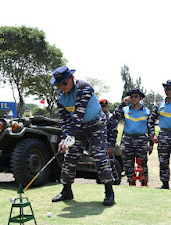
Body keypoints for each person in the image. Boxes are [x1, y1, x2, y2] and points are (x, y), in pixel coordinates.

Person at [49, 66, 115, 206]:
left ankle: (109, 192)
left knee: (99, 156)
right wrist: (64, 140)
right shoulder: (61, 99)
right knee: (70, 157)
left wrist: (67, 138)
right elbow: (66, 122)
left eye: (65, 83)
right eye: (59, 85)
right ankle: (66, 191)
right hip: (78, 131)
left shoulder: (84, 87)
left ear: (72, 78)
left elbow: (78, 115)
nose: (62, 87)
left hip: (96, 126)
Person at [109, 89, 153, 185]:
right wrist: (123, 104)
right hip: (127, 139)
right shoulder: (125, 109)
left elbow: (150, 127)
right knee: (128, 164)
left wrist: (151, 143)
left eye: (135, 96)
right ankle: (130, 182)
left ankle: (144, 183)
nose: (133, 98)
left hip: (141, 139)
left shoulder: (146, 111)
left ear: (140, 98)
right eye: (131, 97)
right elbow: (114, 117)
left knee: (142, 163)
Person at [99, 98, 121, 185]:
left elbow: (114, 132)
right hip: (98, 143)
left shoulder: (111, 117)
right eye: (101, 106)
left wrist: (111, 146)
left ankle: (116, 181)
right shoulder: (96, 116)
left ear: (107, 106)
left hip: (108, 144)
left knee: (111, 163)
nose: (103, 108)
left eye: (104, 106)